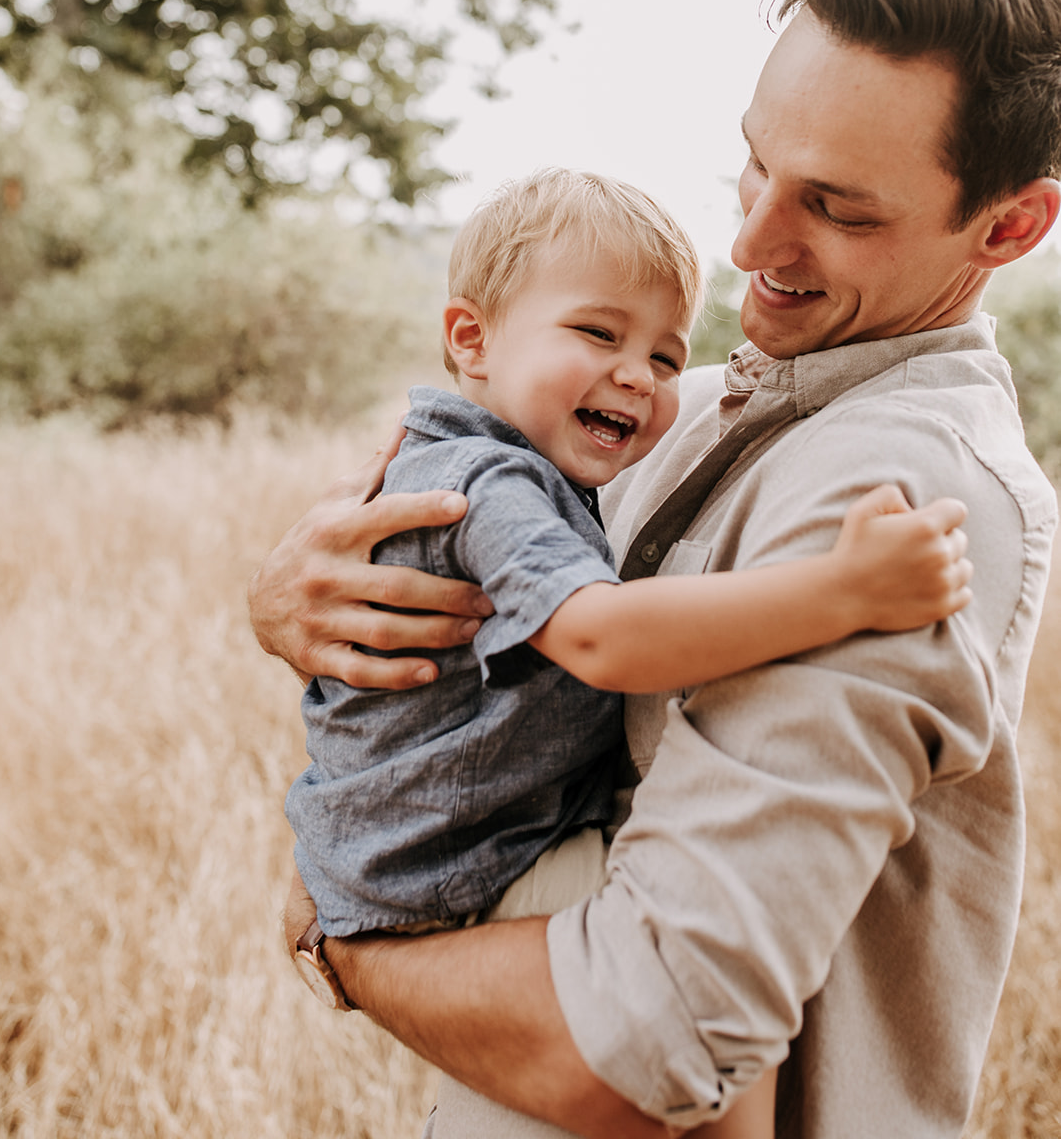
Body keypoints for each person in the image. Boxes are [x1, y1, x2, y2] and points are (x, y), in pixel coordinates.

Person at [251, 0, 1061, 1139]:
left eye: (836, 208)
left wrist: (344, 941)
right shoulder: (681, 410)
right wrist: (296, 595)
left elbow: (647, 1041)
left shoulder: (898, 498)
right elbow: (459, 502)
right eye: (752, 162)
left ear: (1006, 227)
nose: (747, 242)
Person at [285, 168, 969, 968]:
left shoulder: (459, 455)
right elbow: (603, 642)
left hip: (404, 846)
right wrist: (845, 590)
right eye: (599, 335)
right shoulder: (490, 484)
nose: (638, 376)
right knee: (700, 969)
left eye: (667, 357)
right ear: (471, 340)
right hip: (455, 863)